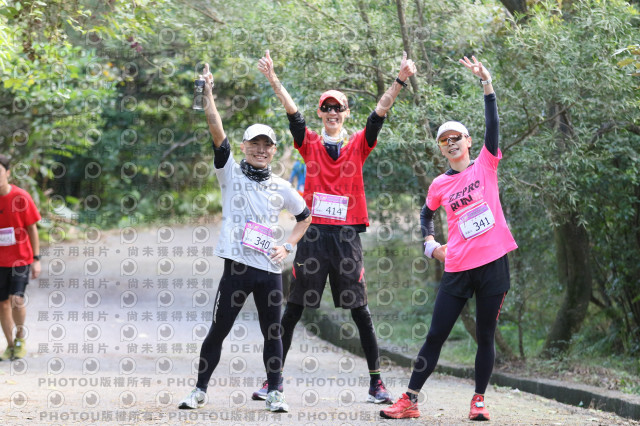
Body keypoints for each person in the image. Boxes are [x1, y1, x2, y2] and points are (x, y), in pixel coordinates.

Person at [256, 50, 416, 404]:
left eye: (338, 108)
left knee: (360, 311)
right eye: (326, 108)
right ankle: (272, 381)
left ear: (346, 113)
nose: (332, 112)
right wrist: (273, 78)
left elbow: (381, 110)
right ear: (320, 113)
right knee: (293, 309)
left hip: (346, 237)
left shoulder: (358, 143)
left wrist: (400, 79)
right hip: (313, 236)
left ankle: (376, 385)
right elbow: (292, 112)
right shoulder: (310, 143)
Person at [380, 56, 518, 421]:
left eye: (456, 138)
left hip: (493, 263)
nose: (451, 143)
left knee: (485, 335)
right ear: (440, 149)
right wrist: (429, 245)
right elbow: (426, 214)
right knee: (435, 334)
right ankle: (410, 399)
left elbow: (493, 125)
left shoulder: (486, 164)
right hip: (457, 266)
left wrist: (487, 83)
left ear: (468, 142)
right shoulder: (439, 184)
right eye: (445, 141)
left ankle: (478, 402)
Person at [177, 64, 312, 412]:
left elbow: (305, 217)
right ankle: (199, 391)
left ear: (273, 150)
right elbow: (216, 128)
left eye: (267, 145)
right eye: (255, 144)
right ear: (244, 146)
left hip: (269, 270)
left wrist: (288, 245)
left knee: (273, 333)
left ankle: (275, 392)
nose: (261, 150)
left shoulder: (281, 187)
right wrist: (208, 94)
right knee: (218, 330)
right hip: (236, 268)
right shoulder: (230, 174)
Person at [0, 154, 41, 361]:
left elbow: (32, 228)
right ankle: (9, 345)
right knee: (3, 304)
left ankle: (20, 337)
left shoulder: (21, 197)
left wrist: (36, 258)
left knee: (17, 299)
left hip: (20, 258)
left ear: (7, 173)